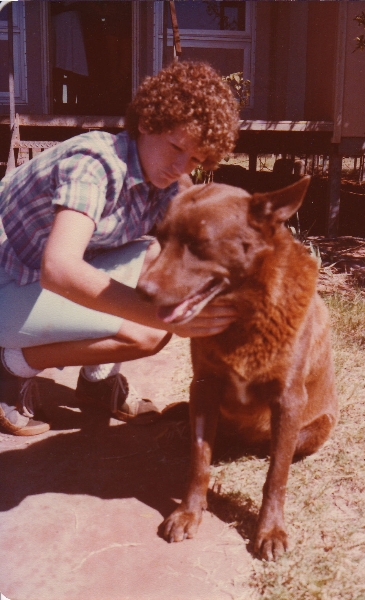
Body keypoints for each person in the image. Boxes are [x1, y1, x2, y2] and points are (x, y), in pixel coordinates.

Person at [0, 61, 240, 436]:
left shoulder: (166, 178)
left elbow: (194, 244)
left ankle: (96, 383)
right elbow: (59, 269)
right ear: (147, 123)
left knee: (159, 262)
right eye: (176, 146)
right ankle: (11, 366)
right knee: (151, 328)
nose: (180, 165)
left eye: (194, 158)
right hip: (8, 280)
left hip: (33, 280)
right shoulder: (95, 164)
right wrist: (163, 315)